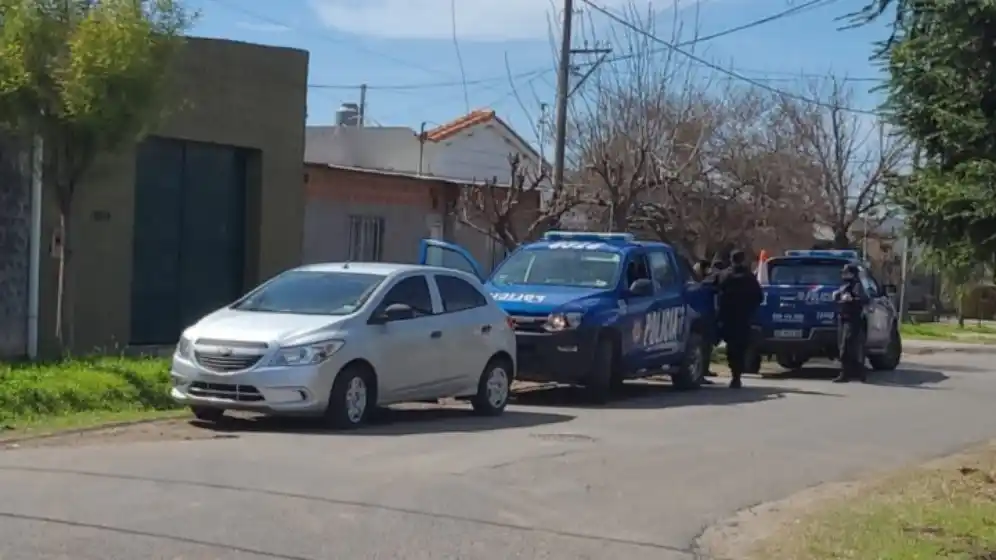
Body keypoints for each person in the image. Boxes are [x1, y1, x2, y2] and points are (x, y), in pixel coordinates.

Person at [711, 250, 763, 388]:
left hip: (728, 317)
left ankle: (735, 374)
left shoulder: (724, 275)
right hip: (744, 317)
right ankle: (737, 375)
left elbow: (711, 287)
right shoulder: (749, 277)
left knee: (731, 347)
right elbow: (759, 297)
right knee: (741, 346)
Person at [832, 263, 869, 383]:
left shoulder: (857, 286)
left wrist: (852, 299)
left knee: (847, 346)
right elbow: (838, 299)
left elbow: (864, 299)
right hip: (843, 318)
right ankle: (850, 373)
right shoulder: (844, 286)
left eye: (846, 272)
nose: (843, 275)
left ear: (852, 274)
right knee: (842, 346)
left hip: (853, 319)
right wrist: (837, 297)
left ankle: (854, 372)